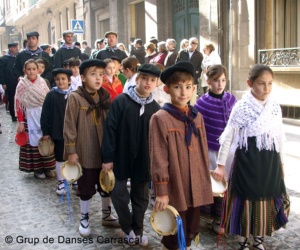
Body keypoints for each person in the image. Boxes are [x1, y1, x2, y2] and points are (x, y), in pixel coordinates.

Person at [215, 64, 290, 249]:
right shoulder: (241, 108)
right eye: (261, 84)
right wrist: (220, 165)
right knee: (244, 199)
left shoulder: (274, 108)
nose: (266, 89)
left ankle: (258, 237)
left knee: (265, 200)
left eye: (270, 84)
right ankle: (243, 239)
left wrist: (282, 164)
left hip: (269, 162)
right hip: (246, 162)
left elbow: (279, 137)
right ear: (250, 83)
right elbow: (228, 137)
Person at [150, 61, 213, 250]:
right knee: (174, 231)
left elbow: (203, 152)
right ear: (167, 89)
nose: (183, 92)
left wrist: (205, 181)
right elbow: (158, 157)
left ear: (194, 88)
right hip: (176, 186)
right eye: (177, 87)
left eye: (187, 87)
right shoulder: (160, 118)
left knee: (192, 228)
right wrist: (161, 191)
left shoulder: (197, 116)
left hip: (195, 185)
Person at [101, 63, 161, 247]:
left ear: (156, 83)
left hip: (143, 158)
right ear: (138, 78)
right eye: (144, 78)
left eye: (152, 80)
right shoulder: (121, 101)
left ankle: (138, 229)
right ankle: (127, 228)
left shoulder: (155, 108)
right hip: (121, 155)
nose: (148, 83)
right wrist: (108, 158)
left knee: (141, 197)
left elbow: (158, 139)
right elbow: (110, 130)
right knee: (118, 193)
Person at [63, 59, 120, 237]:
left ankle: (106, 214)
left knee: (107, 183)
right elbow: (69, 125)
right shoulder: (75, 97)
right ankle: (84, 217)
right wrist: (71, 151)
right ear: (82, 77)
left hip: (104, 150)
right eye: (93, 74)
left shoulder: (105, 96)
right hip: (85, 150)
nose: (98, 78)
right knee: (86, 186)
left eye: (101, 75)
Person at [194, 64, 236, 234]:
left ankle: (228, 216)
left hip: (230, 151)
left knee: (229, 184)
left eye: (223, 80)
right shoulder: (201, 103)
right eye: (216, 81)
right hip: (211, 151)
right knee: (216, 184)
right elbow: (198, 129)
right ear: (208, 81)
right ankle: (216, 218)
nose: (220, 84)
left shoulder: (232, 99)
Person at [15, 59, 56, 179]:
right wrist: (21, 121)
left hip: (42, 115)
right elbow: (19, 104)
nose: (31, 71)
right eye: (29, 69)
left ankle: (48, 167)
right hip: (29, 116)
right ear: (25, 70)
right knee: (33, 143)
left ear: (38, 69)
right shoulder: (21, 85)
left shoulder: (42, 82)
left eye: (34, 69)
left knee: (46, 139)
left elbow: (47, 100)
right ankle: (37, 169)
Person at [40, 68, 74, 195]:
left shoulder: (74, 94)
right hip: (57, 131)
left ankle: (74, 178)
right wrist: (46, 132)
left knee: (74, 155)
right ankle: (61, 182)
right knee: (60, 157)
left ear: (69, 80)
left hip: (73, 133)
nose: (60, 81)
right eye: (58, 79)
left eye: (63, 79)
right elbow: (45, 114)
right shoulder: (51, 95)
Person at [176, 37, 203, 104]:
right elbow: (177, 63)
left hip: (193, 80)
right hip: (182, 78)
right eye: (193, 43)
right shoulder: (182, 52)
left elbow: (200, 68)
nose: (194, 45)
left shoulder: (199, 55)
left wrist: (196, 74)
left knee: (192, 100)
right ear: (189, 43)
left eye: (196, 44)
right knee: (183, 97)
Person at [0, 42, 19, 122]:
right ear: (10, 48)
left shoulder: (18, 57)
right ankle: (13, 115)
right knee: (11, 99)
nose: (17, 49)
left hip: (18, 81)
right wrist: (3, 83)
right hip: (9, 82)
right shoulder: (4, 59)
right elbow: (1, 72)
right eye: (15, 47)